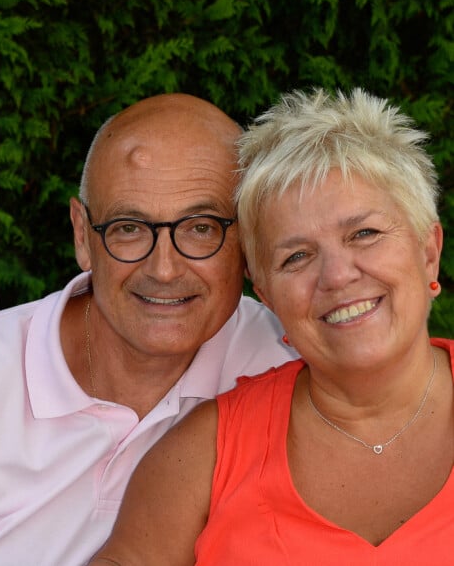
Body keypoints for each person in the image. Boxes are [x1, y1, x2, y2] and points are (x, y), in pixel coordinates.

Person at [0, 93, 296, 565]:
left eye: (200, 228)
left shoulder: (286, 366)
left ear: (248, 238)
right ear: (82, 235)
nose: (163, 268)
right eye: (129, 227)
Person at [89, 88, 453, 566]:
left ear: (429, 251)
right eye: (296, 256)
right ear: (265, 295)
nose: (338, 275)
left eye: (364, 234)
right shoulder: (202, 455)